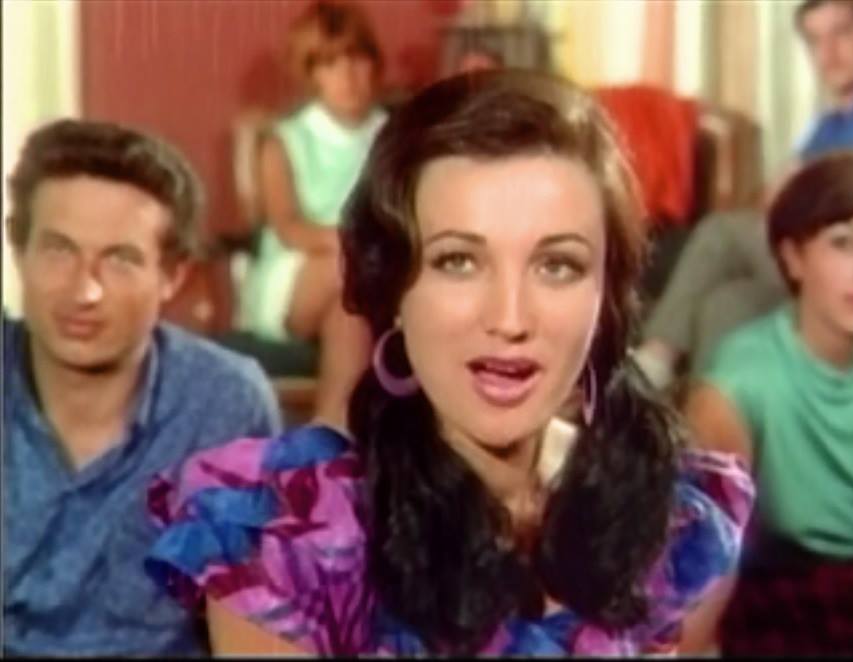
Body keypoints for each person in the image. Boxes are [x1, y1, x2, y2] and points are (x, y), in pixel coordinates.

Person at [144, 69, 755, 656]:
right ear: (395, 289)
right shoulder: (289, 539)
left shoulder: (653, 513)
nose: (510, 318)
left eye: (557, 265)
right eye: (458, 261)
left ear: (606, 297)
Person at [1, 119, 283, 656]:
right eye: (59, 250)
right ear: (20, 252)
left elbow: (254, 628)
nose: (84, 291)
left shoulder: (223, 404)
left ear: (172, 276)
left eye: (120, 259)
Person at [679, 150, 853, 655]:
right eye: (844, 243)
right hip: (785, 613)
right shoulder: (737, 382)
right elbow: (703, 564)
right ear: (793, 256)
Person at [636, 0, 853, 387]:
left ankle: (652, 363)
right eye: (815, 41)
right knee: (727, 303)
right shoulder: (826, 127)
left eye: (842, 33)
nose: (829, 53)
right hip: (823, 258)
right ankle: (711, 416)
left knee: (721, 233)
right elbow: (775, 199)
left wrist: (817, 199)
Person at [238, 0, 387, 429]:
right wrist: (354, 243)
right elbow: (289, 228)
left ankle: (333, 434)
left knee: (349, 313)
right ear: (312, 74)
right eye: (331, 63)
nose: (348, 75)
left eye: (357, 59)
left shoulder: (392, 136)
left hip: (366, 274)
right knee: (348, 272)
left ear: (374, 65)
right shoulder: (285, 140)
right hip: (301, 268)